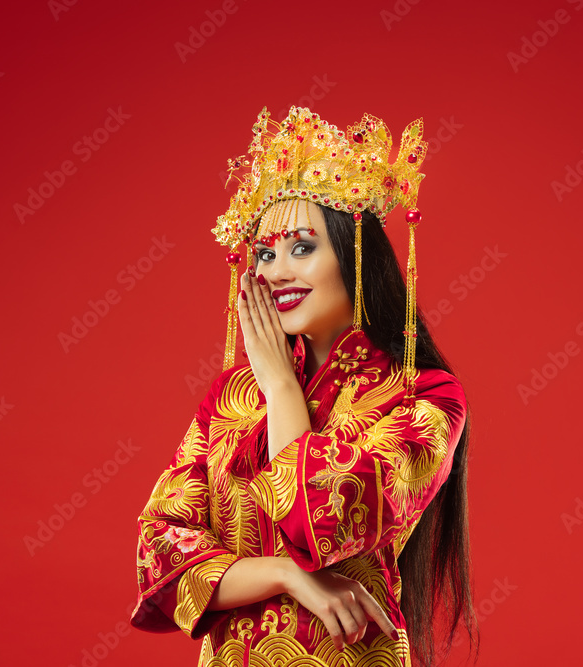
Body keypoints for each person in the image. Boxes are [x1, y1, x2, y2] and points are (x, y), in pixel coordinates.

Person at [129, 106, 478, 667]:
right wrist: (285, 576)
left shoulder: (424, 397)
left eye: (302, 248)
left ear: (355, 254)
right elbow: (160, 546)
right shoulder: (232, 398)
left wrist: (283, 391)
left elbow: (326, 522)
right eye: (264, 254)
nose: (276, 272)